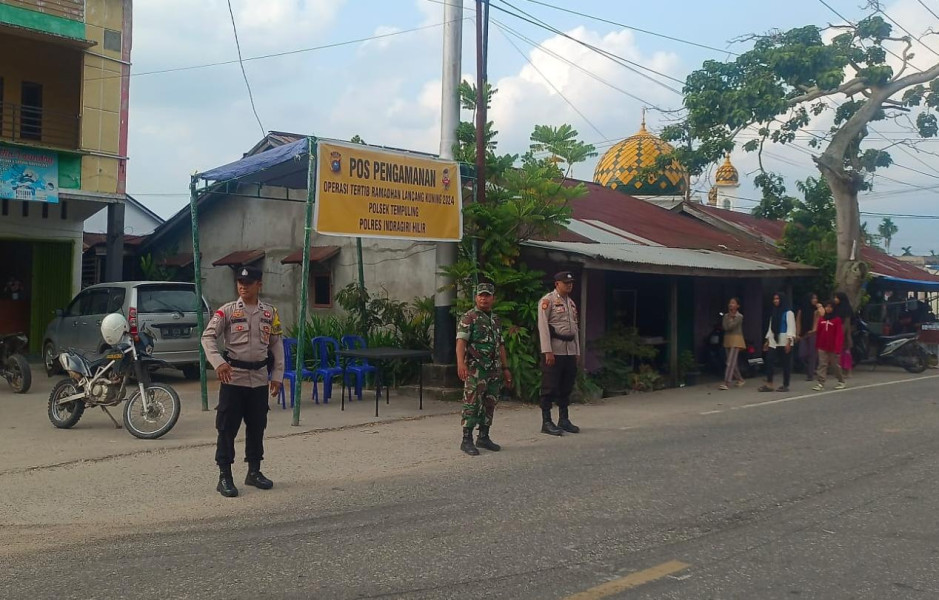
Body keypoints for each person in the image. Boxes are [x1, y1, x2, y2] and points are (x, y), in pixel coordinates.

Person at [202, 266, 284, 498]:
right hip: (233, 378)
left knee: (257, 427)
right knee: (227, 428)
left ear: (259, 284)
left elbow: (276, 345)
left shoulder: (269, 313)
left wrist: (277, 376)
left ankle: (254, 471)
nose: (243, 286)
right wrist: (218, 362)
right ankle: (224, 476)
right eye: (240, 282)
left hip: (258, 380)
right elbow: (207, 337)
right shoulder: (227, 311)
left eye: (248, 282)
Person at [455, 282, 511, 456]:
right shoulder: (469, 317)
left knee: (490, 401)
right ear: (476, 297)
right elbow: (461, 343)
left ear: (493, 298)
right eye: (481, 295)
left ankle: (484, 436)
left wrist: (505, 368)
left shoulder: (495, 319)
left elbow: (500, 345)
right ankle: (466, 440)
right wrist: (460, 364)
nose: (483, 298)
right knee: (472, 402)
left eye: (487, 295)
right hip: (475, 368)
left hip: (493, 369)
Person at [537, 271, 581, 435]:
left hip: (569, 350)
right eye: (565, 282)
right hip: (554, 350)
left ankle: (563, 419)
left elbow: (575, 328)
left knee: (566, 385)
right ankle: (546, 421)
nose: (569, 285)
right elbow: (543, 327)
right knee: (549, 385)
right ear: (557, 284)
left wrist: (577, 350)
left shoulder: (571, 303)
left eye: (570, 282)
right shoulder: (548, 301)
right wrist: (547, 351)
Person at [759, 292, 796, 392]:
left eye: (778, 299)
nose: (775, 301)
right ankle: (769, 383)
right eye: (774, 299)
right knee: (769, 360)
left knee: (785, 364)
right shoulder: (774, 312)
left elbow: (791, 327)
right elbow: (771, 327)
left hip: (785, 340)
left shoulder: (788, 313)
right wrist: (767, 340)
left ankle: (785, 384)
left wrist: (789, 341)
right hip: (774, 341)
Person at [813, 300, 846, 391]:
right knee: (822, 364)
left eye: (830, 307)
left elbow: (839, 334)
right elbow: (819, 332)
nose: (828, 309)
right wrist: (817, 344)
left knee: (835, 365)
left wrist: (838, 347)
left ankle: (841, 380)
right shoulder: (822, 319)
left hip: (832, 347)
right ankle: (821, 382)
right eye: (826, 307)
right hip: (822, 345)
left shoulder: (837, 320)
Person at [719, 297, 746, 390]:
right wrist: (729, 318)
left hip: (736, 340)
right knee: (732, 363)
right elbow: (725, 327)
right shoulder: (725, 316)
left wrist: (730, 319)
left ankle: (727, 382)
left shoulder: (739, 316)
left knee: (730, 362)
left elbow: (731, 326)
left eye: (733, 303)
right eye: (730, 303)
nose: (731, 304)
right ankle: (740, 379)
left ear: (737, 306)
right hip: (727, 340)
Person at [796, 292, 820, 381]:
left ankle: (810, 374)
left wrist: (813, 330)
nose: (815, 300)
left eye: (816, 298)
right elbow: (798, 322)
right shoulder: (801, 310)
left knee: (812, 355)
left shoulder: (816, 310)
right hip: (803, 334)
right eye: (813, 298)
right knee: (802, 354)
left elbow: (817, 321)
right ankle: (810, 369)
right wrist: (797, 334)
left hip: (813, 334)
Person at [834, 292, 854, 376]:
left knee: (846, 353)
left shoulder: (847, 308)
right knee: (838, 353)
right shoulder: (836, 308)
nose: (835, 299)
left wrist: (842, 333)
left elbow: (847, 322)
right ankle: (840, 370)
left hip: (844, 333)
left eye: (836, 297)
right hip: (836, 331)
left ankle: (848, 370)